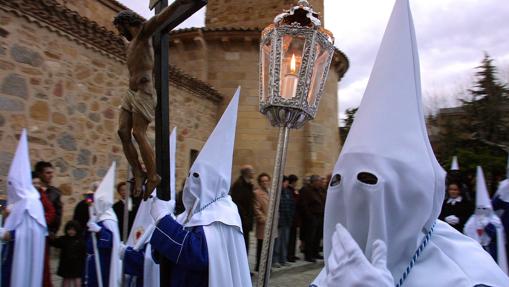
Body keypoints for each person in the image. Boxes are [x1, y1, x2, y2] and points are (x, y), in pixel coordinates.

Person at [311, 0, 509, 285]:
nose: (352, 195)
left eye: (368, 179)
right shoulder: (335, 273)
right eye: (337, 182)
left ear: (412, 191)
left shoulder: (468, 275)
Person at [149, 88, 251, 286]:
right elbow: (170, 253)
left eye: (197, 178)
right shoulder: (193, 215)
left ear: (211, 181)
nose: (190, 183)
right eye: (191, 177)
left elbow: (198, 255)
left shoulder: (222, 216)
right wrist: (167, 226)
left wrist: (164, 221)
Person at [113, 1, 194, 198]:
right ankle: (138, 173)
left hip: (144, 91)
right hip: (130, 93)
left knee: (138, 133)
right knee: (123, 132)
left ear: (126, 23)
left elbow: (159, 18)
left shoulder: (142, 33)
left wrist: (178, 4)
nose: (119, 33)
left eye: (120, 29)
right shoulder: (130, 43)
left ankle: (153, 175)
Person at [1, 129, 47, 287]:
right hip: (12, 256)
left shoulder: (30, 204)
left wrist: (5, 234)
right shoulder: (22, 202)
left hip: (21, 259)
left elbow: (26, 235)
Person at [464, 166, 508, 273]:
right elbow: (467, 232)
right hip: (477, 253)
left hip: (493, 252)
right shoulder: (472, 220)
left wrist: (488, 227)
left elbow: (498, 235)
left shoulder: (495, 221)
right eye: (480, 209)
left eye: (485, 209)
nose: (482, 211)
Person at [84, 162, 121, 287]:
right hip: (92, 258)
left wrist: (99, 230)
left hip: (103, 260)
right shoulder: (95, 214)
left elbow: (110, 241)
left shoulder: (108, 218)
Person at [33, 172, 57, 287]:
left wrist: (41, 222)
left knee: (42, 264)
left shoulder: (42, 195)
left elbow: (51, 211)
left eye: (38, 183)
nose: (36, 185)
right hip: (29, 235)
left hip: (40, 234)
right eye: (34, 183)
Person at [50, 220, 86, 287]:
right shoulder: (64, 239)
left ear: (77, 230)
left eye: (73, 230)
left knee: (77, 281)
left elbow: (83, 253)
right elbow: (55, 243)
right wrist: (51, 238)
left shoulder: (81, 241)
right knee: (66, 280)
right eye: (69, 230)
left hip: (77, 265)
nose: (71, 232)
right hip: (66, 265)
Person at [230, 164, 255, 255]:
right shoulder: (239, 185)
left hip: (246, 220)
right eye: (251, 171)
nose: (253, 173)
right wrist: (245, 217)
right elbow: (237, 203)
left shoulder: (249, 185)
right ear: (247, 173)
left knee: (245, 243)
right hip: (242, 220)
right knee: (241, 244)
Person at [35, 160, 63, 235]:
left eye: (51, 173)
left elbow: (58, 214)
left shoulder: (55, 192)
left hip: (47, 231)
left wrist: (53, 231)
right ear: (39, 174)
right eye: (48, 173)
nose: (51, 175)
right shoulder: (33, 191)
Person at [300, 175, 324, 262]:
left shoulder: (320, 190)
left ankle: (315, 252)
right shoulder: (306, 190)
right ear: (314, 182)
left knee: (317, 236)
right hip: (311, 217)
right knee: (310, 237)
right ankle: (308, 255)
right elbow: (304, 204)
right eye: (319, 181)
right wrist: (309, 216)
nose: (320, 183)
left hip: (319, 216)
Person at [273, 176, 295, 267]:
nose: (286, 184)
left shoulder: (288, 192)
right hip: (279, 221)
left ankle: (283, 259)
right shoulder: (276, 193)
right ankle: (275, 260)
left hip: (287, 220)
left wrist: (291, 216)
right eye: (285, 182)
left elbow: (292, 204)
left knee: (285, 241)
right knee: (277, 242)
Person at [254, 172, 271, 271]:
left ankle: (266, 265)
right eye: (263, 181)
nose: (265, 182)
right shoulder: (257, 193)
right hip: (263, 224)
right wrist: (263, 219)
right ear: (260, 182)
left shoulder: (270, 191)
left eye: (266, 180)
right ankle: (259, 266)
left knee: (269, 246)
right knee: (261, 246)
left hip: (271, 225)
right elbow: (256, 208)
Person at [286, 174, 301, 262]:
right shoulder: (289, 190)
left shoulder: (294, 190)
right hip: (291, 218)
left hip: (295, 218)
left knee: (294, 237)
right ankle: (289, 255)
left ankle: (292, 254)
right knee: (290, 238)